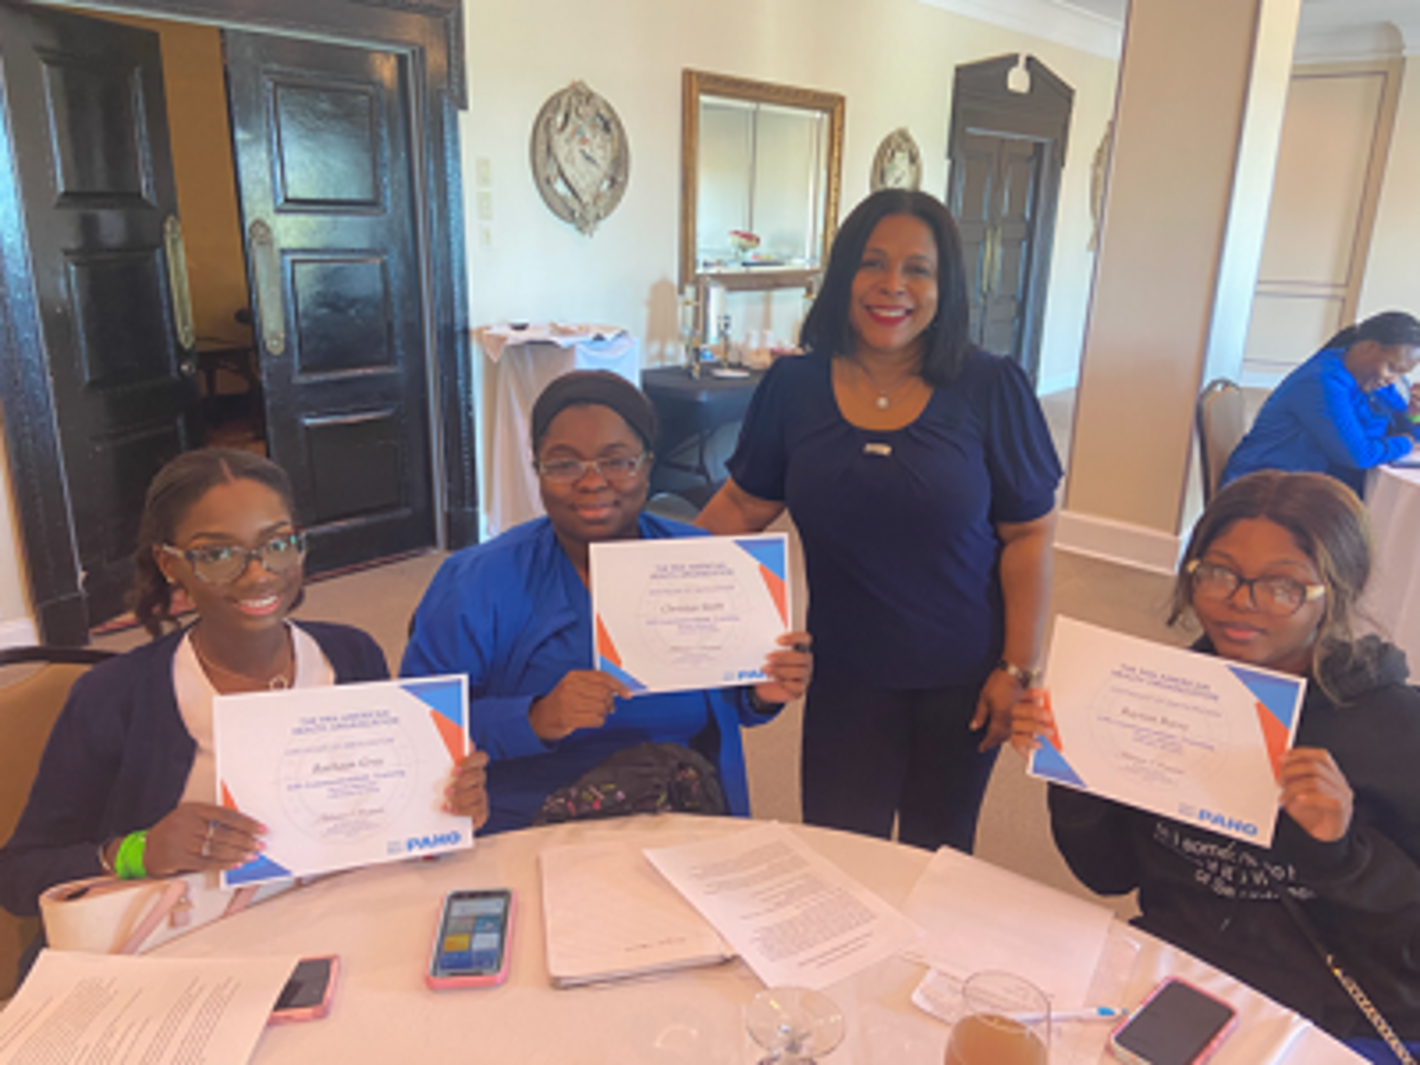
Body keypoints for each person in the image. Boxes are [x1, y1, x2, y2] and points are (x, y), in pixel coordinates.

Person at [695, 188, 1061, 852]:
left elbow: (1029, 533)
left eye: (918, 269)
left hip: (964, 678)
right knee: (839, 861)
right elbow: (745, 504)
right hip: (845, 673)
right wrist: (651, 581)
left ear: (943, 285)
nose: (893, 285)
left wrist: (1019, 666)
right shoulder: (793, 387)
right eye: (872, 263)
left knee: (940, 859)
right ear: (843, 277)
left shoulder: (991, 386)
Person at [1012, 472, 1420, 1060]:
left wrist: (1341, 849)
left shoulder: (1397, 728)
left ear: (1338, 591)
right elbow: (1109, 875)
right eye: (1219, 572)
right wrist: (1072, 774)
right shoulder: (1161, 698)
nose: (1241, 601)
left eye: (1283, 586)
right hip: (1175, 973)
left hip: (1332, 1008)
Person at [0, 448, 490, 921]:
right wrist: (139, 852)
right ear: (170, 565)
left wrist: (443, 812)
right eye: (217, 554)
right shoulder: (113, 696)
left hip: (339, 927)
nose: (258, 575)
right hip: (181, 953)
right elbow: (19, 876)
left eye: (277, 545)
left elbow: (381, 828)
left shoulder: (352, 655)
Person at [402, 371, 812, 834]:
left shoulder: (704, 560)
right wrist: (535, 717)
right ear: (536, 469)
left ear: (648, 464)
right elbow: (416, 731)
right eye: (564, 464)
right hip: (534, 830)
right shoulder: (474, 583)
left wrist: (761, 694)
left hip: (684, 817)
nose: (592, 482)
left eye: (617, 461)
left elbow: (729, 706)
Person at [1222, 311, 1420, 497]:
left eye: (1401, 373)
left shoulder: (1376, 381)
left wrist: (1415, 415)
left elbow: (1405, 428)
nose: (1393, 379)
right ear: (1367, 347)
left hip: (1319, 485)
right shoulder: (1321, 381)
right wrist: (1406, 443)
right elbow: (1358, 455)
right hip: (1270, 489)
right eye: (1392, 368)